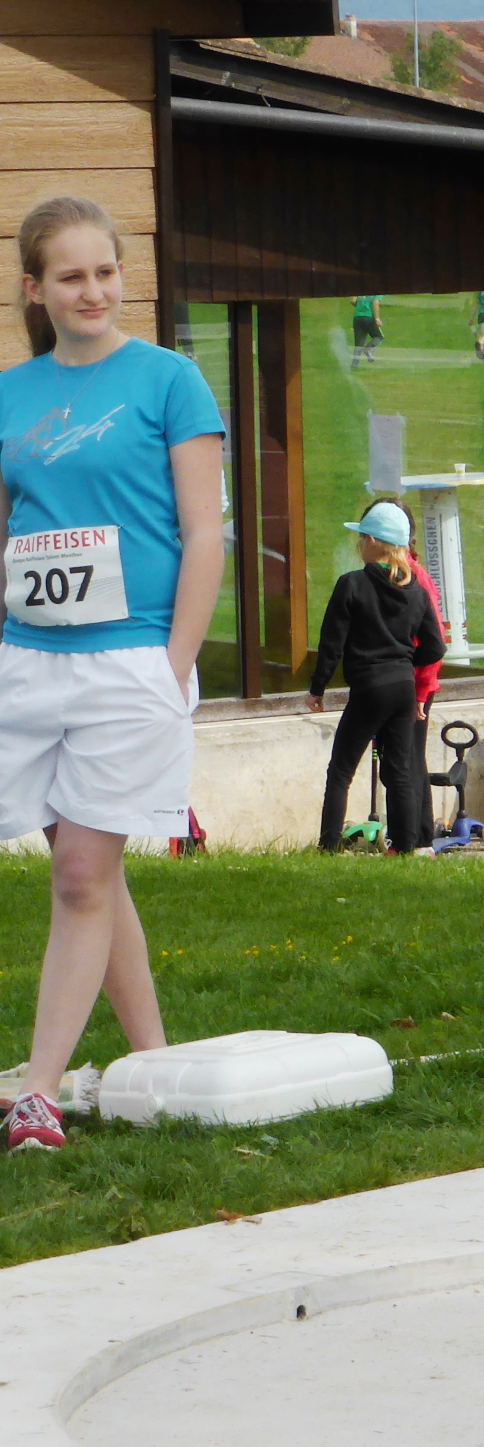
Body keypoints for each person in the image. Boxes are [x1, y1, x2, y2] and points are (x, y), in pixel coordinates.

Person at [0, 196, 225, 1153]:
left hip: (132, 660)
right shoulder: (10, 394)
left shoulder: (170, 381)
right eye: (71, 277)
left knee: (84, 871)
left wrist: (174, 664)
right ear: (35, 289)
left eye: (105, 272)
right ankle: (152, 1063)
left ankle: (37, 1094)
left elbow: (205, 533)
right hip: (29, 663)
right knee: (89, 877)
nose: (93, 292)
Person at [309, 502, 444, 853]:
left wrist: (318, 688)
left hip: (369, 688)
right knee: (399, 772)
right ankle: (405, 848)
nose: (359, 545)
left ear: (371, 541)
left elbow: (331, 645)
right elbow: (435, 647)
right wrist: (406, 664)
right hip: (403, 689)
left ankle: (328, 846)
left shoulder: (352, 584)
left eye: (361, 539)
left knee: (341, 770)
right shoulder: (417, 591)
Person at [350, 292, 382, 366]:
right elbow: (375, 303)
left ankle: (354, 364)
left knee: (359, 343)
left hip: (357, 317)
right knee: (379, 337)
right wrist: (377, 319)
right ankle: (368, 348)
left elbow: (353, 301)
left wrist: (360, 305)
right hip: (369, 316)